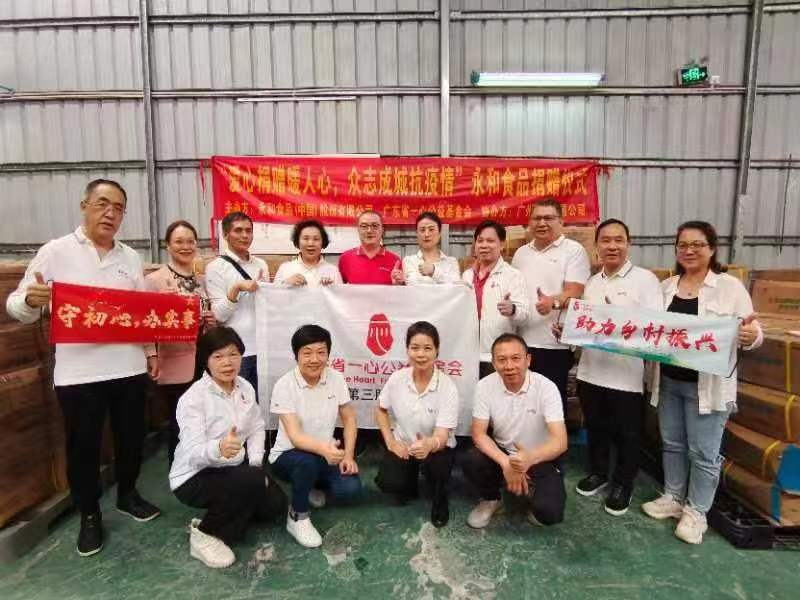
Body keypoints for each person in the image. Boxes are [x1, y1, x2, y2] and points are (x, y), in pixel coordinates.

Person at [6, 179, 160, 557]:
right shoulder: (56, 252)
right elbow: (16, 305)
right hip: (79, 374)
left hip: (128, 367)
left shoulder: (130, 257)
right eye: (102, 204)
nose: (110, 213)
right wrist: (30, 300)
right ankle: (89, 515)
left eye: (118, 208)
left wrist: (150, 351)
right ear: (84, 206)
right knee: (83, 448)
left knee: (130, 439)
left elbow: (141, 313)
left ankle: (127, 493)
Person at [641, 221, 762, 545]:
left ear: (712, 249)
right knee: (672, 443)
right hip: (669, 381)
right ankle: (673, 497)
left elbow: (754, 331)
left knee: (704, 453)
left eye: (697, 244)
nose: (689, 251)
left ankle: (697, 512)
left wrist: (750, 336)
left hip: (707, 387)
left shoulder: (728, 287)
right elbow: (648, 328)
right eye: (683, 245)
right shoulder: (666, 287)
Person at [565, 219, 663, 515]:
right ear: (596, 246)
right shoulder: (592, 283)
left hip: (626, 376)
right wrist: (567, 332)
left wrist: (618, 318)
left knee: (628, 434)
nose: (612, 246)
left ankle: (623, 484)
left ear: (628, 244)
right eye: (605, 240)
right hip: (591, 371)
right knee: (596, 427)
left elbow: (656, 326)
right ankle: (598, 472)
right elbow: (586, 326)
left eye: (618, 240)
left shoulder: (645, 281)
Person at [169, 326, 287, 569]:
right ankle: (205, 534)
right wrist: (218, 448)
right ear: (206, 360)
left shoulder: (244, 387)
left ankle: (234, 507)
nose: (227, 363)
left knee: (275, 506)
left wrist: (256, 463)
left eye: (233, 354)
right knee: (253, 483)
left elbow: (256, 426)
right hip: (194, 476)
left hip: (234, 468)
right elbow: (192, 453)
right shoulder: (193, 398)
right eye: (218, 356)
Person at [268, 325, 362, 548]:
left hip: (323, 454)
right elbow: (295, 437)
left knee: (350, 489)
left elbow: (349, 418)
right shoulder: (285, 385)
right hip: (288, 456)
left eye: (321, 352)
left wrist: (348, 456)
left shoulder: (336, 378)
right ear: (296, 355)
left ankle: (310, 485)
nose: (314, 359)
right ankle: (297, 516)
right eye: (307, 353)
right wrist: (325, 449)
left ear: (328, 354)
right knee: (306, 462)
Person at [463, 333, 567, 529]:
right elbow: (478, 433)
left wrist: (528, 459)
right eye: (502, 360)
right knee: (472, 459)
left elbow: (560, 442)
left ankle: (530, 491)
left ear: (528, 360)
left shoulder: (546, 388)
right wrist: (506, 463)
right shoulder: (484, 386)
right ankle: (491, 499)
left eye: (516, 358)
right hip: (503, 452)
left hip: (538, 455)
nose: (509, 366)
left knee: (550, 513)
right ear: (494, 363)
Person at [374, 321, 459, 527]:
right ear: (407, 350)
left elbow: (442, 435)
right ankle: (409, 483)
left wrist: (430, 444)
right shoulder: (397, 379)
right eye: (415, 348)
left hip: (437, 447)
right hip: (405, 445)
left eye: (427, 348)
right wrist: (391, 442)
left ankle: (440, 499)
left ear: (437, 351)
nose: (421, 354)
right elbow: (381, 410)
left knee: (439, 467)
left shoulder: (447, 387)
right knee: (389, 481)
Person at [145, 220, 216, 464]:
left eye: (190, 241)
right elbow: (146, 322)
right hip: (174, 359)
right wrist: (151, 355)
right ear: (167, 245)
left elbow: (206, 318)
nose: (185, 246)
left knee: (203, 417)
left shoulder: (201, 280)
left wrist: (211, 320)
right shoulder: (155, 280)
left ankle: (201, 466)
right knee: (180, 418)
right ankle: (179, 469)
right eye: (179, 242)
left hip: (202, 357)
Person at [512, 199, 591, 414]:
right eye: (537, 218)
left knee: (551, 406)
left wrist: (553, 302)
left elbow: (575, 291)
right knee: (522, 404)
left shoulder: (573, 251)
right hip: (521, 342)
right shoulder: (521, 254)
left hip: (554, 343)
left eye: (548, 218)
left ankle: (556, 438)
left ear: (561, 222)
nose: (542, 223)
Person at [204, 211, 268, 395]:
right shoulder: (215, 267)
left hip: (264, 349)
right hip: (236, 352)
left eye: (248, 230)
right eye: (238, 230)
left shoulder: (261, 265)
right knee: (238, 402)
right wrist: (236, 288)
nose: (244, 235)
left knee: (262, 403)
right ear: (225, 235)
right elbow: (218, 315)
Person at [461, 220, 530, 378]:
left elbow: (525, 316)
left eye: (490, 241)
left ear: (502, 244)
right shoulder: (466, 276)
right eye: (480, 241)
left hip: (498, 355)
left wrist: (513, 310)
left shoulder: (513, 276)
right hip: (468, 355)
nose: (484, 245)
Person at [338, 210, 401, 285]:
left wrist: (398, 285)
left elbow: (401, 289)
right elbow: (337, 288)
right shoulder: (345, 258)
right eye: (364, 226)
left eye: (375, 226)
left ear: (382, 230)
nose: (369, 231)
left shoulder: (395, 260)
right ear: (358, 230)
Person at [397, 212, 461, 285]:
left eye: (431, 229)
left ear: (439, 234)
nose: (426, 234)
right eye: (422, 230)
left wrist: (434, 271)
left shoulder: (451, 262)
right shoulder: (409, 261)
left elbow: (456, 286)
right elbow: (412, 285)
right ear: (417, 234)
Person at [274, 219, 342, 286]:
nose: (310, 243)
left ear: (323, 242)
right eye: (306, 238)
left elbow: (340, 292)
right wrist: (285, 284)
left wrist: (330, 289)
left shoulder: (333, 271)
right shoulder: (285, 268)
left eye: (316, 239)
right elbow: (273, 292)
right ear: (297, 242)